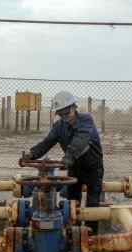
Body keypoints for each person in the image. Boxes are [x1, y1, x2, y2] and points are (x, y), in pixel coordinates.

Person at [22, 91, 104, 235]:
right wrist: (31, 154)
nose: (65, 117)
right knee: (72, 203)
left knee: (92, 204)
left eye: (67, 113)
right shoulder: (59, 126)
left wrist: (68, 157)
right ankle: (74, 236)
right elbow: (47, 143)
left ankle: (90, 240)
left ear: (74, 107)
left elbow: (81, 141)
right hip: (74, 168)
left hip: (92, 168)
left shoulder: (86, 120)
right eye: (61, 114)